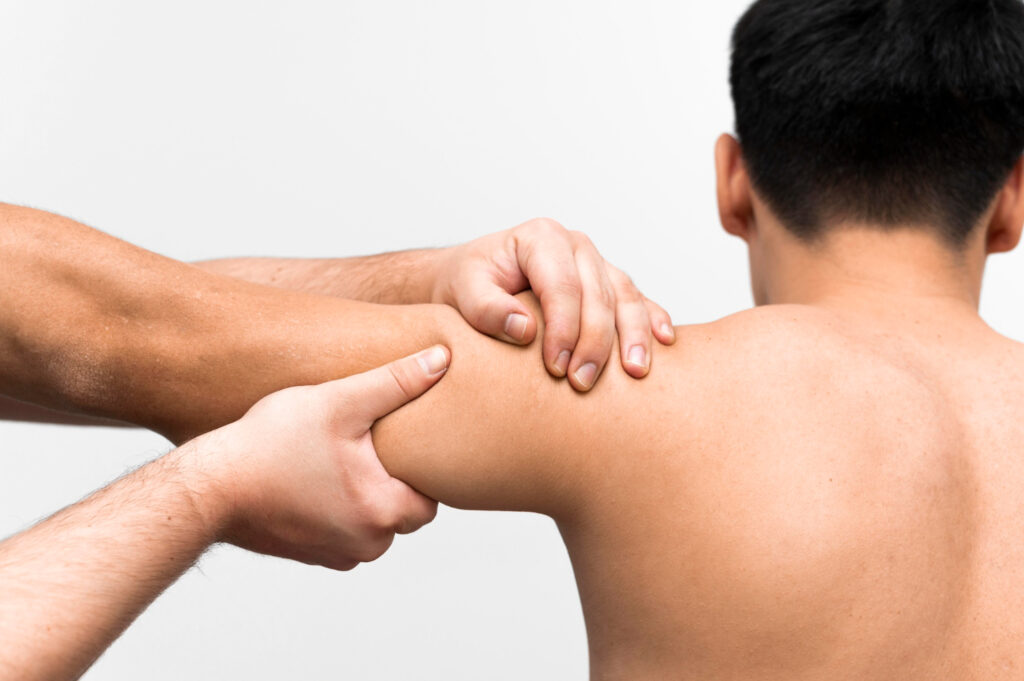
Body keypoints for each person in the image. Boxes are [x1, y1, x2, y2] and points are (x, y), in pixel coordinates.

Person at [4, 0, 1024, 678]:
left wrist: (410, 279)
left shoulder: (621, 391)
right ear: (1011, 198)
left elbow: (95, 323)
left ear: (732, 182)